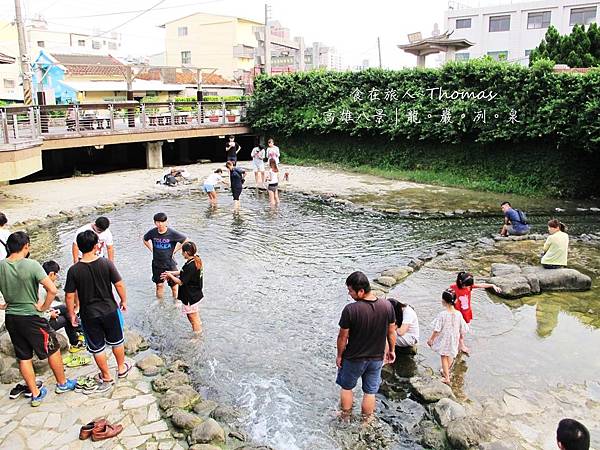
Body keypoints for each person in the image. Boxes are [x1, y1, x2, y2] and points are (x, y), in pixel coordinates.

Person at [0, 232, 77, 406]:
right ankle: (62, 384)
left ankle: (35, 394)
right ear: (26, 246)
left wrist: (3, 305)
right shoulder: (32, 265)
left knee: (24, 357)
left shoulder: (1, 265)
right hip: (31, 318)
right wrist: (43, 308)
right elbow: (52, 290)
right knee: (53, 348)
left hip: (12, 317)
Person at [64, 230, 130, 394]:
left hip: (89, 314)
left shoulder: (74, 270)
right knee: (117, 341)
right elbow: (119, 284)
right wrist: (123, 300)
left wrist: (72, 314)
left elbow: (69, 295)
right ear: (96, 246)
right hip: (109, 310)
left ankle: (106, 375)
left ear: (79, 248)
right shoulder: (106, 263)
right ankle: (121, 368)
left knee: (97, 347)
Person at [336, 271, 396, 421]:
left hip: (353, 358)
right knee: (370, 392)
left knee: (347, 387)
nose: (349, 294)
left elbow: (342, 337)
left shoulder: (350, 310)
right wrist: (392, 350)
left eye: (350, 290)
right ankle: (367, 421)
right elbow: (391, 332)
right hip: (376, 358)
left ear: (361, 291)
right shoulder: (387, 306)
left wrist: (339, 355)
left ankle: (345, 417)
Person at [38, 260, 85, 354]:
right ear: (51, 274)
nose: (56, 277)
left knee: (65, 308)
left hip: (45, 313)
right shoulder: (41, 290)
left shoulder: (41, 284)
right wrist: (49, 314)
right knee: (65, 319)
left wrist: (50, 310)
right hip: (42, 321)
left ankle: (80, 330)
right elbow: (37, 310)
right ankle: (78, 339)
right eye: (56, 275)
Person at [450, 271, 501, 355]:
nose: (468, 287)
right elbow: (447, 298)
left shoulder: (469, 286)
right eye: (466, 286)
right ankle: (461, 345)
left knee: (463, 329)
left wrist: (492, 285)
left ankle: (460, 342)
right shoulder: (453, 288)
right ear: (460, 282)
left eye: (469, 286)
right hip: (457, 313)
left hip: (466, 312)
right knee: (459, 329)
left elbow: (481, 285)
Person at [427, 289, 468, 385]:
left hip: (445, 339)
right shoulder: (458, 314)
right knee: (451, 354)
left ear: (443, 301)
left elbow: (437, 329)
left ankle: (447, 378)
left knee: (444, 356)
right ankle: (445, 370)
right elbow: (463, 328)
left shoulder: (442, 315)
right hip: (454, 338)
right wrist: (461, 338)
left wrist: (431, 339)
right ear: (455, 301)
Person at [161, 241, 204, 333]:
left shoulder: (191, 266)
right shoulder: (196, 260)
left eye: (182, 252)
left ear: (186, 253)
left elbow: (180, 282)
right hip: (195, 294)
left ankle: (197, 335)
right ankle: (199, 327)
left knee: (192, 317)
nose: (181, 253)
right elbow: (184, 273)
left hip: (190, 296)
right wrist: (171, 272)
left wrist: (170, 276)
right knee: (195, 315)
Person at [143, 212, 187, 298]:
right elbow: (145, 239)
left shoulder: (172, 233)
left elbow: (185, 240)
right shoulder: (152, 232)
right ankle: (160, 304)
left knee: (174, 286)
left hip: (170, 263)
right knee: (159, 286)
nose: (159, 224)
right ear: (154, 222)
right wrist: (151, 249)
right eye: (157, 222)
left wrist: (175, 250)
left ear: (166, 222)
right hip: (157, 263)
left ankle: (176, 304)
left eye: (162, 222)